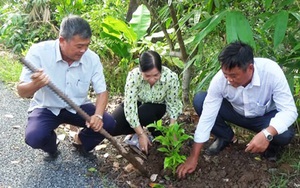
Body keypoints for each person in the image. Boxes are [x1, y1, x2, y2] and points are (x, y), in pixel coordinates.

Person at [176, 41, 298, 178]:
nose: (229, 80)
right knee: (200, 101)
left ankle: (271, 147)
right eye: (225, 75)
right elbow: (207, 117)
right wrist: (193, 157)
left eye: (234, 76)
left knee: (284, 134)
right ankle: (225, 136)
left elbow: (289, 111)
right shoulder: (220, 80)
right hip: (236, 113)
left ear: (250, 68)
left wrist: (267, 134)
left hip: (264, 118)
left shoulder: (271, 72)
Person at [17, 15, 116, 161]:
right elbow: (21, 91)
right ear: (62, 40)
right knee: (34, 137)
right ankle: (52, 145)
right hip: (47, 107)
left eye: (86, 45)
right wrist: (36, 84)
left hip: (78, 107)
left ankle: (81, 142)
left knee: (108, 123)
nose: (83, 51)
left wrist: (98, 116)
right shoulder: (39, 52)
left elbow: (102, 91)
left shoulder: (92, 58)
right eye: (79, 46)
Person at [111, 50, 183, 154]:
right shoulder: (134, 76)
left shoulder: (170, 77)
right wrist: (140, 134)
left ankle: (158, 136)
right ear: (141, 71)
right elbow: (129, 106)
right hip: (138, 103)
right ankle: (139, 133)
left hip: (156, 107)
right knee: (113, 126)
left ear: (161, 70)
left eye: (156, 75)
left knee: (144, 112)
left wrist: (173, 131)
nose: (152, 79)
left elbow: (173, 104)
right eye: (147, 76)